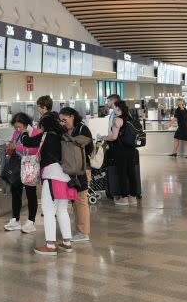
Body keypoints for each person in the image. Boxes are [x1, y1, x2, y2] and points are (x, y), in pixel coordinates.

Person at [20, 99, 75, 256]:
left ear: (46, 125)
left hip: (52, 176)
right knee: (62, 210)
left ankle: (50, 245)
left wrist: (24, 132)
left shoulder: (47, 136)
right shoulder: (62, 136)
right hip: (65, 177)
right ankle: (66, 243)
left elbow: (28, 142)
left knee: (49, 210)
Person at [59, 106, 93, 242]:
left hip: (82, 170)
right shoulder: (65, 131)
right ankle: (79, 229)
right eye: (60, 120)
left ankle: (84, 232)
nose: (63, 122)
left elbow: (89, 147)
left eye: (64, 119)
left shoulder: (82, 128)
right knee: (75, 200)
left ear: (72, 116)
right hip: (71, 171)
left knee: (81, 200)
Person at [3, 112, 39, 233]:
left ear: (26, 124)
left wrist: (17, 147)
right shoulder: (16, 133)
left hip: (29, 166)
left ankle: (31, 221)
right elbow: (12, 147)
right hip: (17, 166)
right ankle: (15, 219)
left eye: (20, 127)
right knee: (15, 192)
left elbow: (35, 150)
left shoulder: (35, 132)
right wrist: (9, 147)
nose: (18, 129)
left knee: (30, 194)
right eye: (16, 127)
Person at [101, 99, 141, 206]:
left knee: (122, 173)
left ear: (117, 108)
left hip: (120, 150)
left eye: (113, 106)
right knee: (132, 173)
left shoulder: (117, 120)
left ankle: (124, 198)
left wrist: (103, 137)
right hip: (132, 150)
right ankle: (133, 198)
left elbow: (114, 137)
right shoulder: (130, 118)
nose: (112, 108)